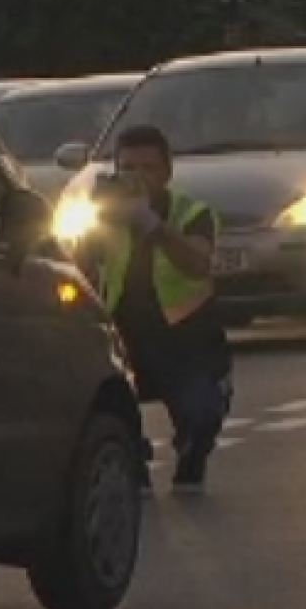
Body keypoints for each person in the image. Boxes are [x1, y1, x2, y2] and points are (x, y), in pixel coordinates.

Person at [82, 124, 232, 492]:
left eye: (147, 169)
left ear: (166, 172)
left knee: (201, 413)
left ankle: (192, 448)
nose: (137, 178)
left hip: (186, 343)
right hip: (127, 341)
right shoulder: (104, 218)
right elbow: (80, 270)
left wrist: (153, 226)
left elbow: (197, 263)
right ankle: (132, 455)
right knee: (94, 401)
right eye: (127, 168)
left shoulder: (192, 213)